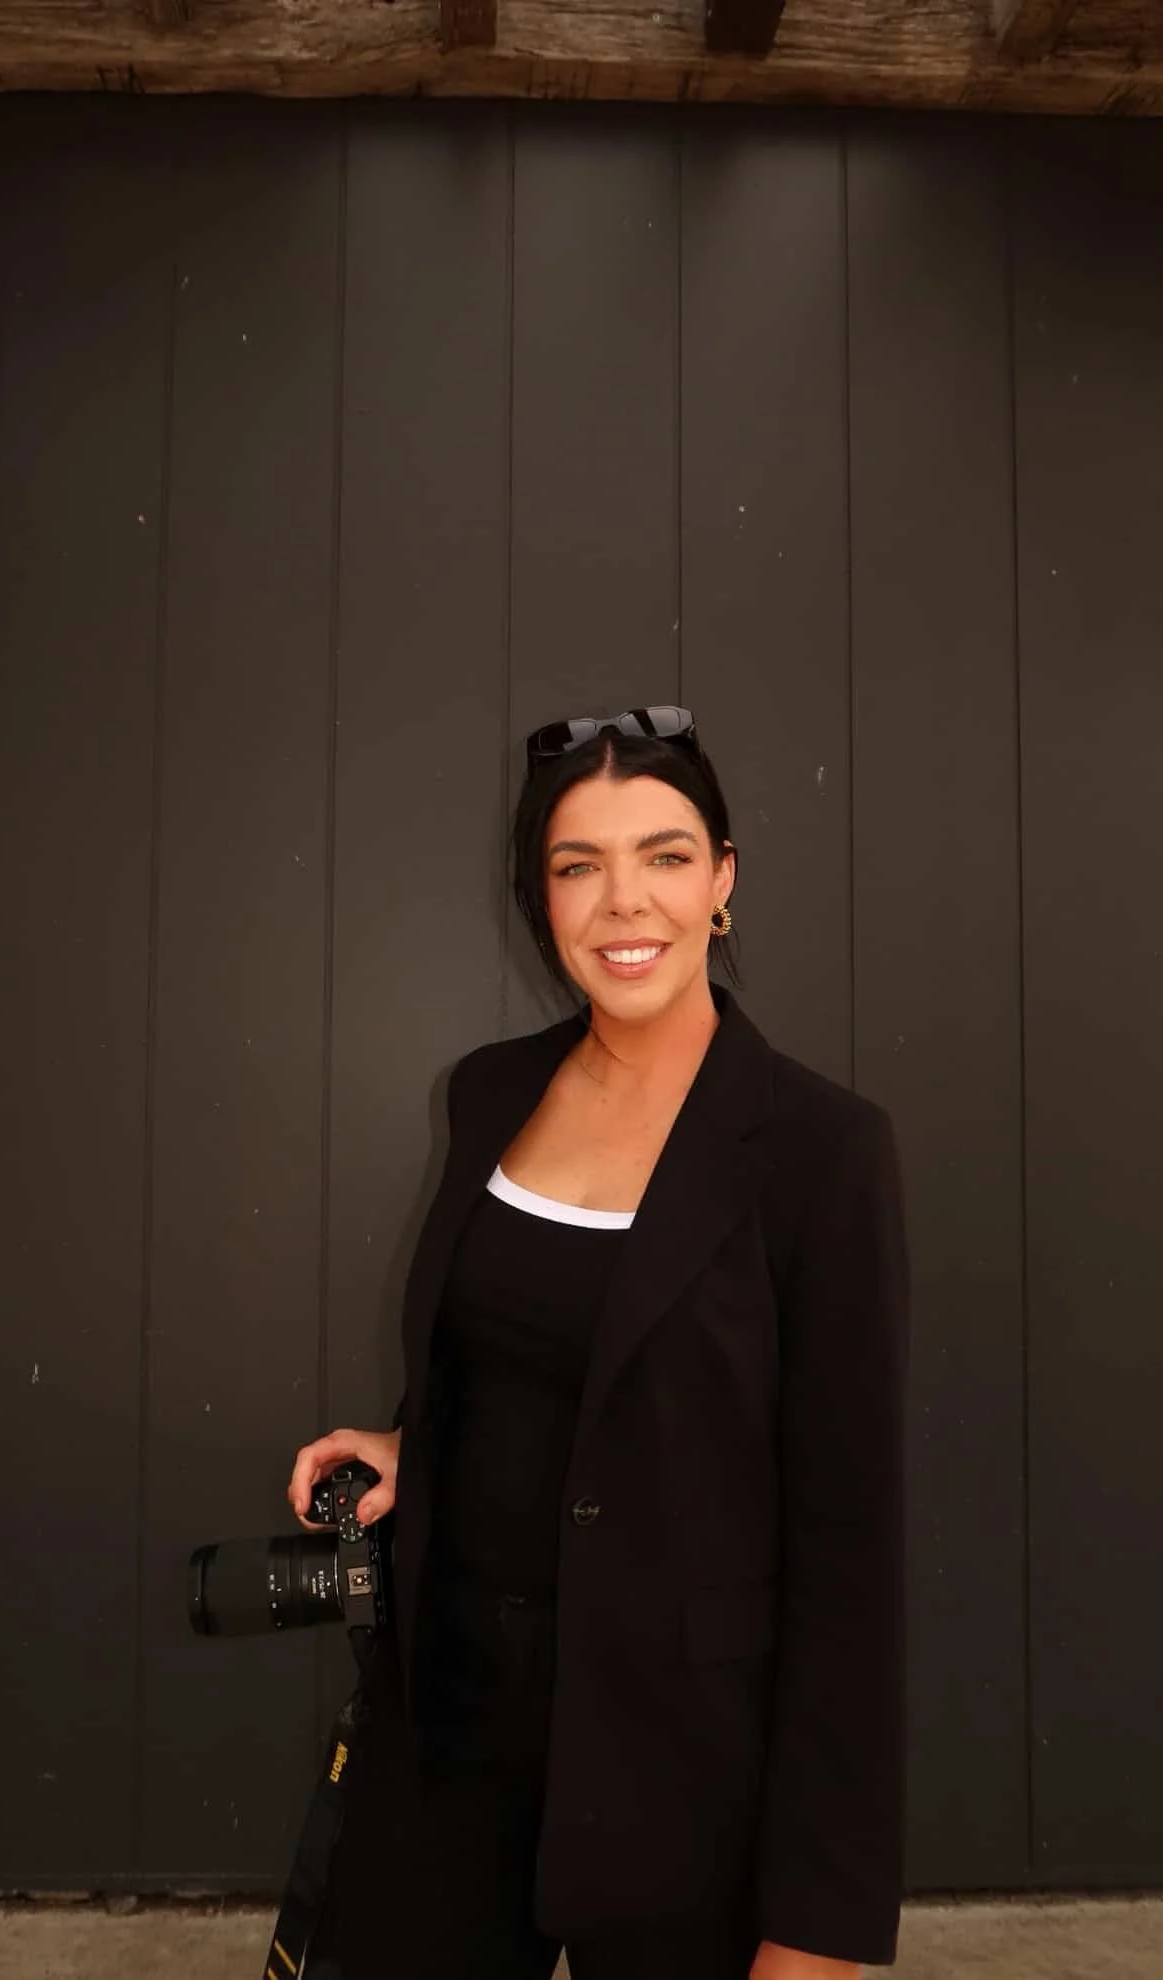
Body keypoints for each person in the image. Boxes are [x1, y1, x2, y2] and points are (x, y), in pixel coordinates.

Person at [289, 706, 910, 1980]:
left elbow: (852, 1554)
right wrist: (419, 1436)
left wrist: (820, 1925)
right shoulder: (489, 1092)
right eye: (580, 866)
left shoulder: (821, 1152)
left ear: (724, 880)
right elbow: (519, 1337)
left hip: (686, 1774)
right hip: (451, 1725)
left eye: (668, 856)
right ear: (541, 893)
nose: (626, 903)